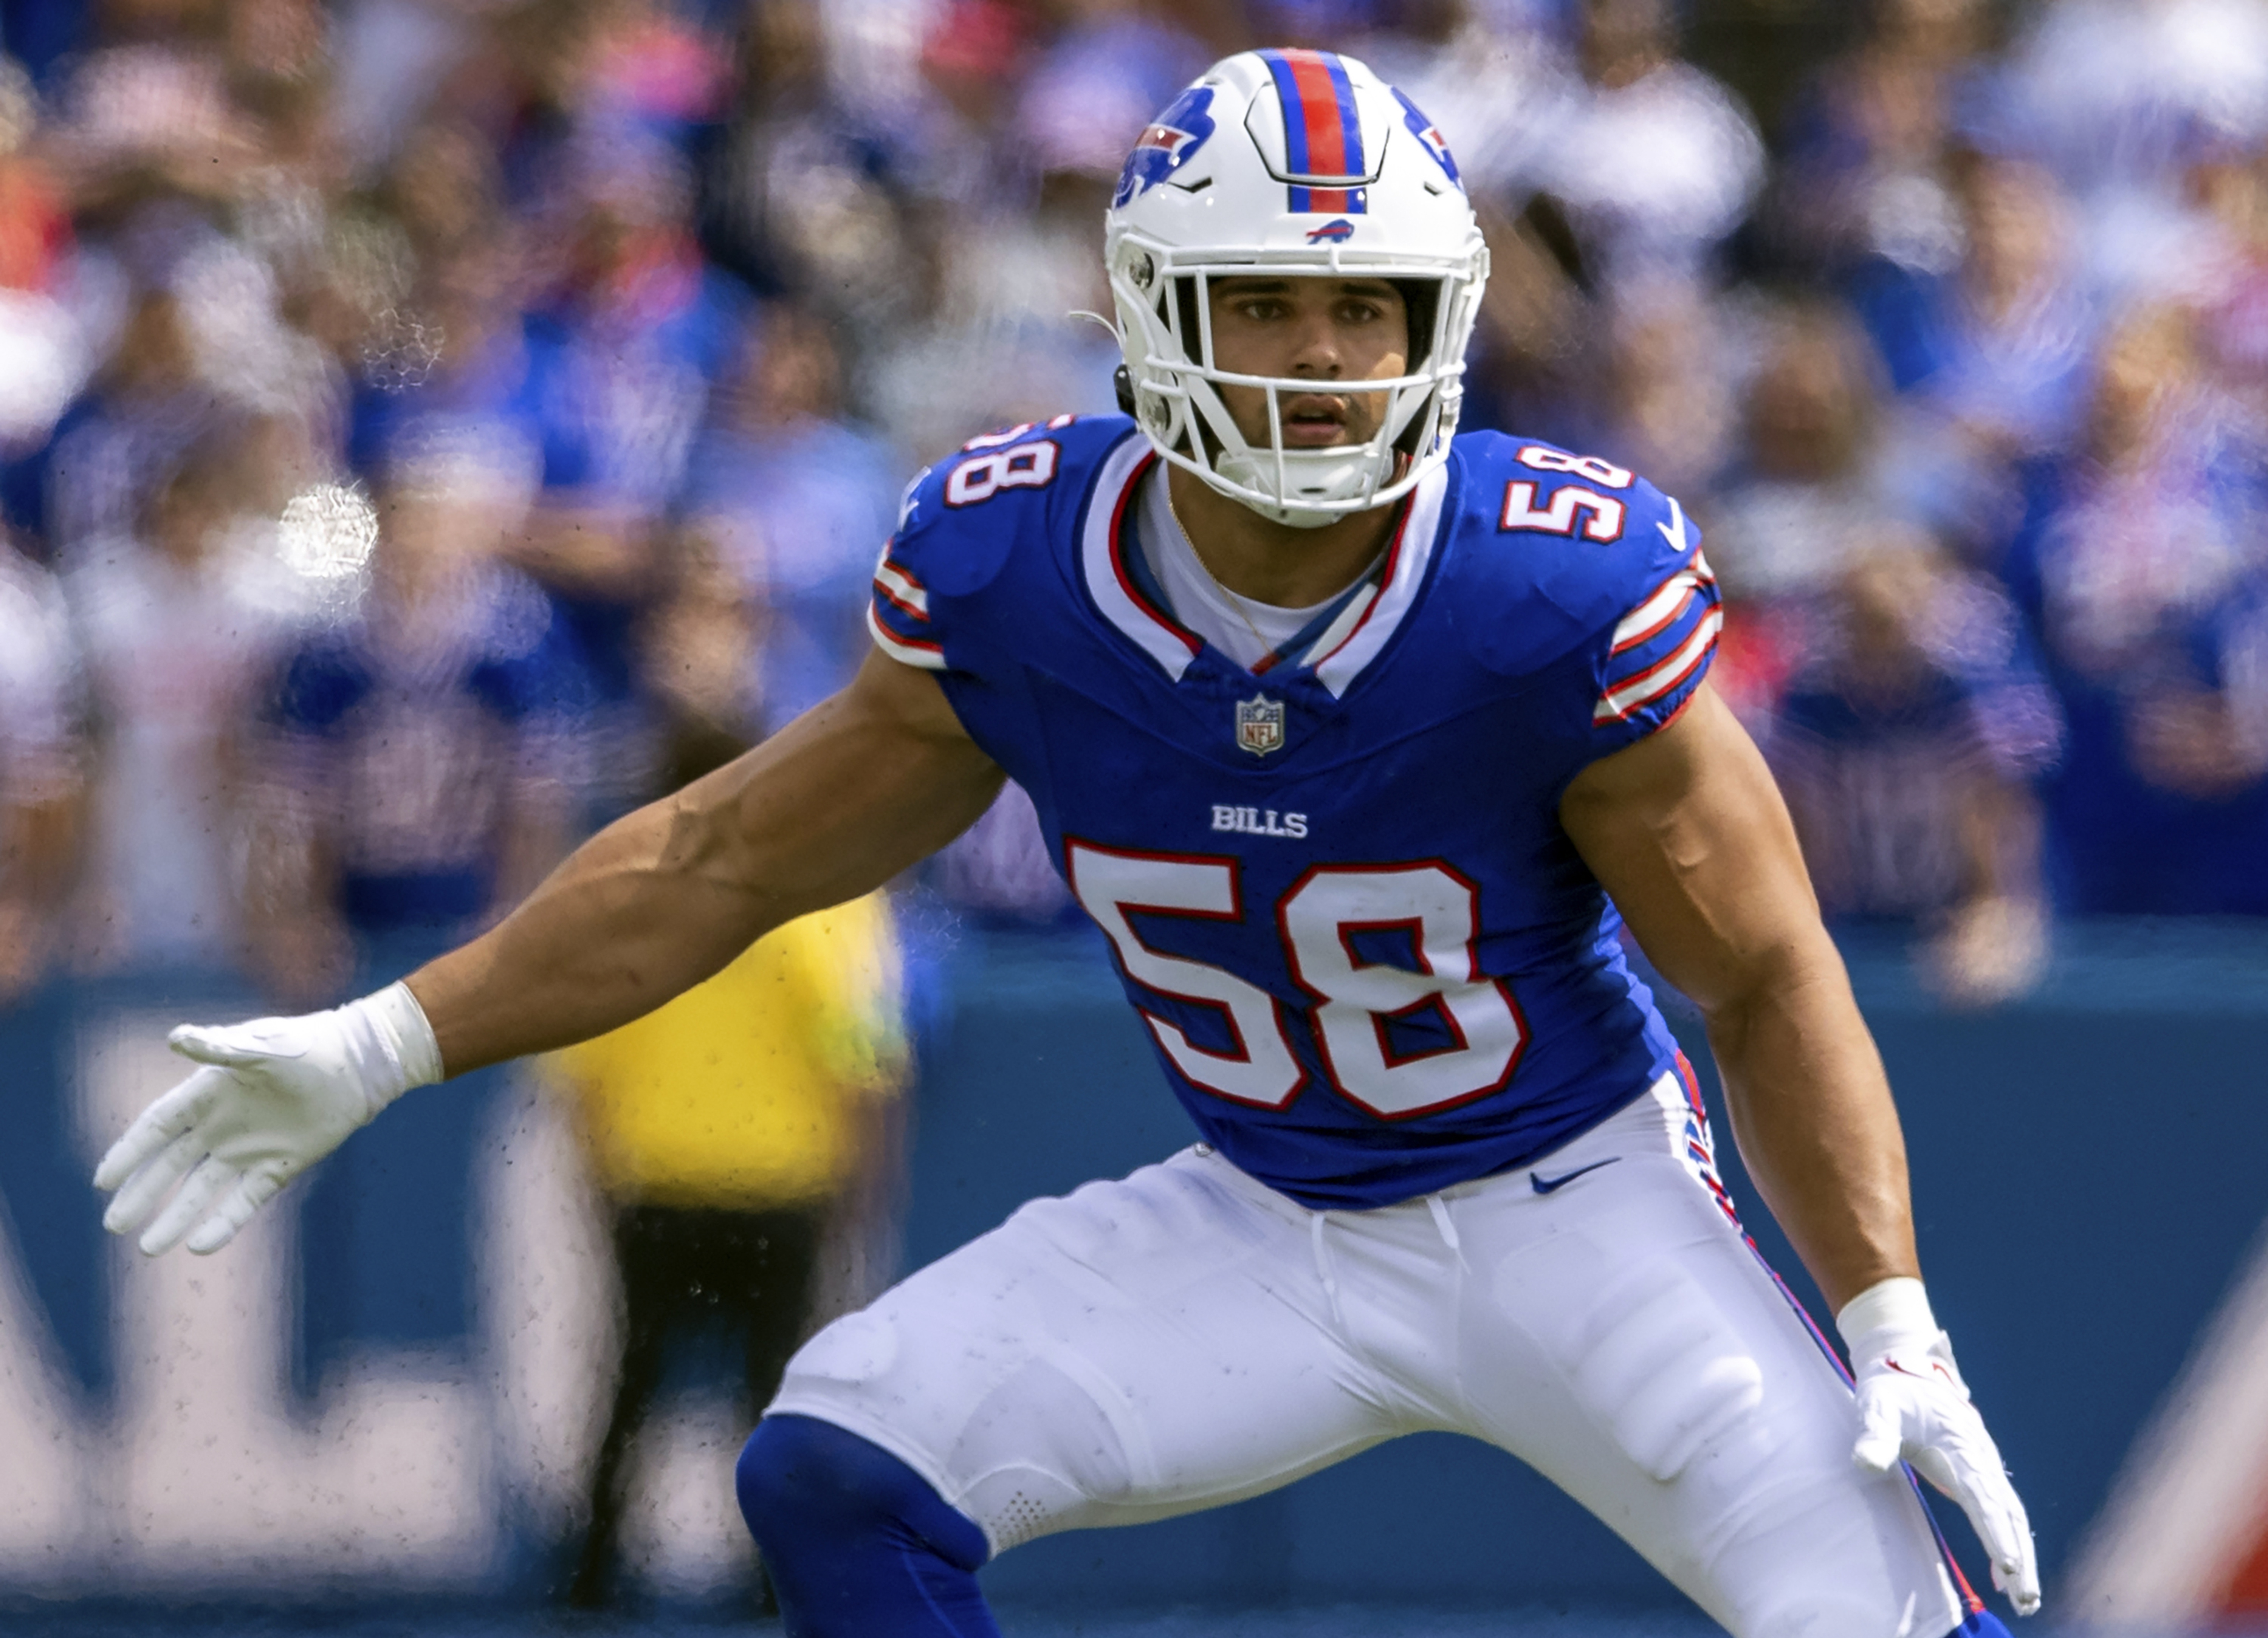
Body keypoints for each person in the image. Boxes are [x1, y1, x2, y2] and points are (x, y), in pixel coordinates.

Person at [91, 49, 2039, 1637]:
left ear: (1442, 323)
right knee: (836, 1466)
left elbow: (1765, 965)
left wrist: (1887, 1312)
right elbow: (728, 858)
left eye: (1367, 302)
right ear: (1151, 312)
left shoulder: (1547, 585)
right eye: (1264, 298)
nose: (1322, 353)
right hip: (1272, 1209)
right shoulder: (1020, 565)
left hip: (1583, 1201)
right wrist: (382, 1042)